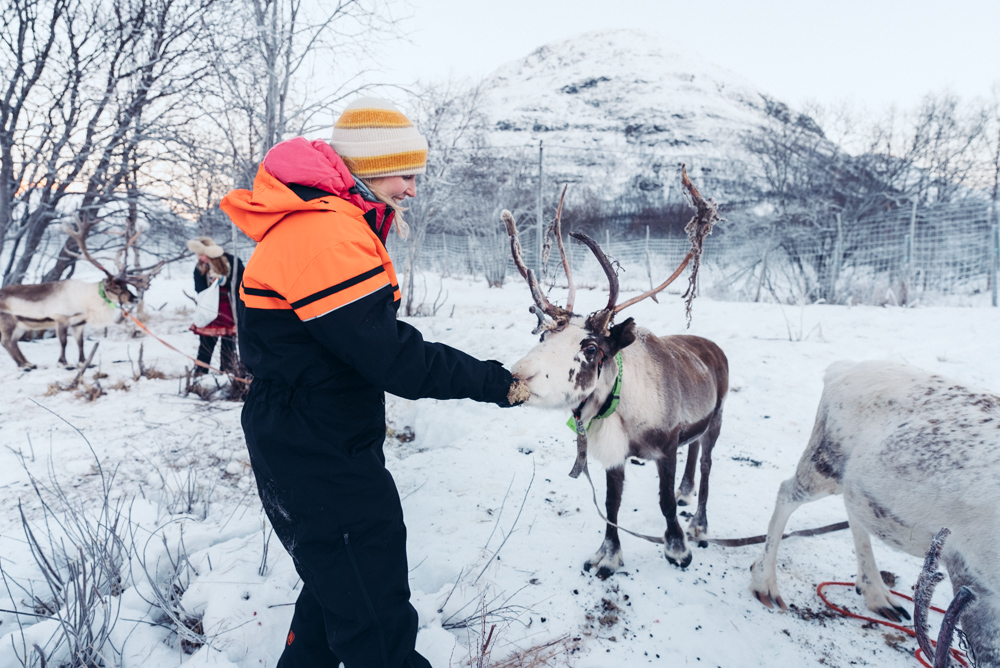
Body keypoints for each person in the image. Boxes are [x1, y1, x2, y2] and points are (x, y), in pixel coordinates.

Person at [220, 97, 525, 668]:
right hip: (316, 442)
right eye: (406, 175)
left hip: (309, 430)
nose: (412, 189)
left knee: (339, 580)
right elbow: (393, 358)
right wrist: (495, 381)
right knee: (375, 615)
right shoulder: (326, 235)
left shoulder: (318, 224)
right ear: (368, 167)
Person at [187, 236, 244, 375]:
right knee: (206, 343)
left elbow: (243, 281)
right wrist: (211, 287)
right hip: (209, 309)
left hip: (230, 309)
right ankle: (200, 373)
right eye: (198, 255)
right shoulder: (200, 267)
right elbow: (198, 288)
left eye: (202, 255)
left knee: (228, 344)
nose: (200, 258)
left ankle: (228, 373)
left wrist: (226, 281)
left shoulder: (232, 262)